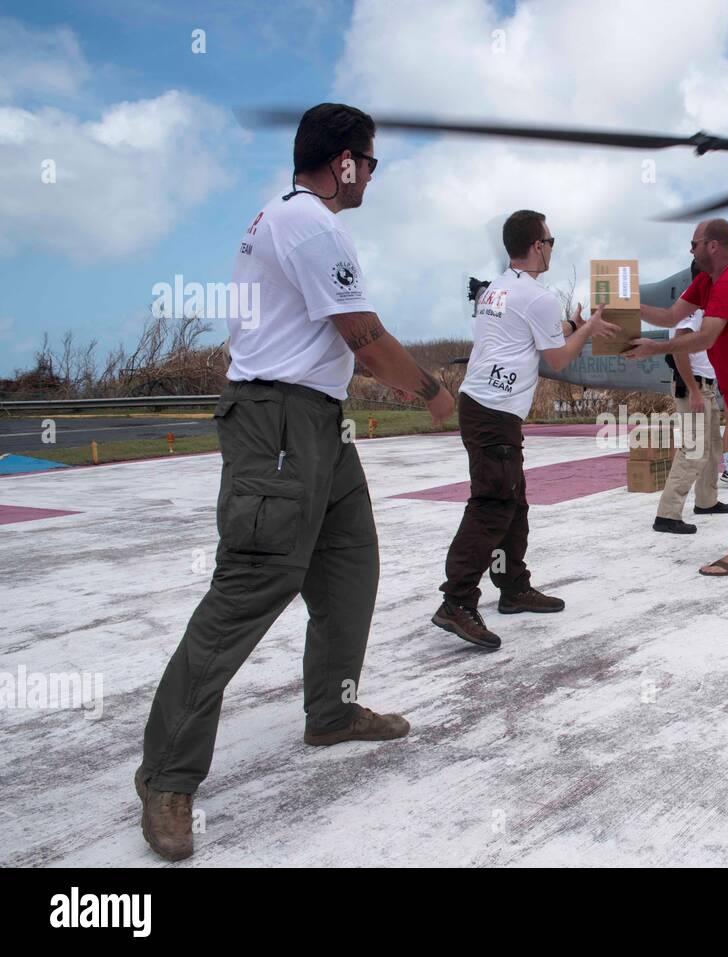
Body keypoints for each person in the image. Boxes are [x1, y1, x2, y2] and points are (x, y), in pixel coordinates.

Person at [136, 103, 456, 862]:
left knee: (349, 568)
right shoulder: (311, 223)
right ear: (344, 162)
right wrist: (435, 393)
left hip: (317, 423)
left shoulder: (290, 220)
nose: (373, 177)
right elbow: (366, 338)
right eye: (370, 163)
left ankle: (332, 711)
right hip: (278, 424)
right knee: (252, 584)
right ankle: (166, 774)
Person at [433, 209, 619, 650]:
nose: (553, 247)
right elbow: (556, 359)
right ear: (537, 245)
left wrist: (573, 326)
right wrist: (588, 328)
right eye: (550, 241)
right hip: (494, 410)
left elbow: (536, 336)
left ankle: (513, 587)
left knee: (512, 502)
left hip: (483, 405)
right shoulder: (538, 296)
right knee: (493, 503)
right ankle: (456, 601)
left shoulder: (498, 289)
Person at [626, 219, 728, 576]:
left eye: (694, 244)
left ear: (713, 245)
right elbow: (670, 315)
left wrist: (656, 348)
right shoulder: (708, 281)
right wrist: (629, 307)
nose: (691, 250)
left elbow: (706, 337)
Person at [654, 262, 728, 533]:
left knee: (711, 448)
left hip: (706, 386)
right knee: (694, 450)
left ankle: (707, 501)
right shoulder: (689, 308)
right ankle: (667, 514)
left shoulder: (703, 307)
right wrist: (695, 390)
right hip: (693, 388)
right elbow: (679, 350)